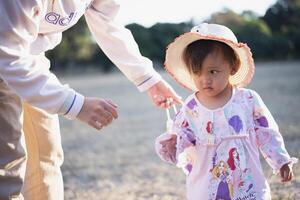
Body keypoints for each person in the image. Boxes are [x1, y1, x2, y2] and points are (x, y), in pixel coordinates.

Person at [0, 0, 182, 199]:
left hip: (32, 57)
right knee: (7, 164)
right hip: (6, 56)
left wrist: (149, 79)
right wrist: (76, 105)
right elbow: (7, 56)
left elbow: (106, 21)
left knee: (46, 154)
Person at [155, 23, 297, 200]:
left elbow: (267, 132)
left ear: (233, 66)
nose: (205, 79)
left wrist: (281, 160)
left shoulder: (248, 100)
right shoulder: (190, 107)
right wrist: (174, 141)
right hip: (206, 186)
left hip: (247, 183)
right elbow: (182, 136)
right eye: (197, 72)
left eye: (213, 71)